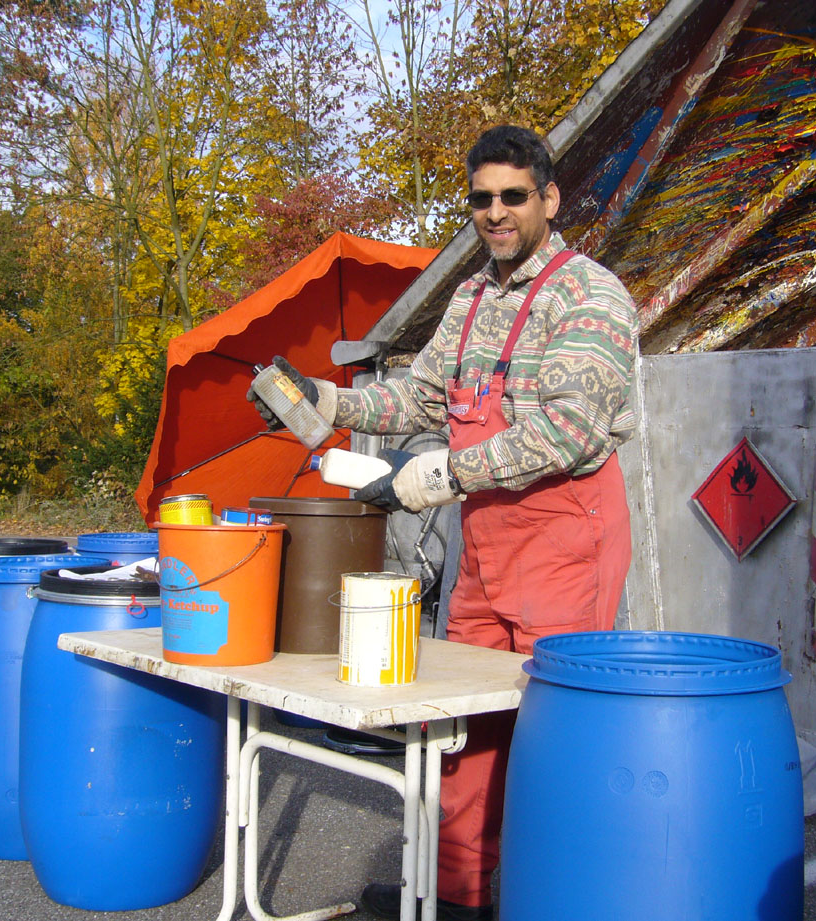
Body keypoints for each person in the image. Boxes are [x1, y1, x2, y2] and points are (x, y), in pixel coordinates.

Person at [249, 125, 638, 920]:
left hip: (565, 548)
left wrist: (444, 473)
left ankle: (544, 900)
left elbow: (570, 431)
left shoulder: (588, 294)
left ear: (548, 199)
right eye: (481, 199)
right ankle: (455, 899)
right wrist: (329, 404)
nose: (495, 213)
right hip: (486, 549)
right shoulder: (466, 302)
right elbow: (417, 400)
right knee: (461, 736)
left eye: (513, 196)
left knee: (549, 745)